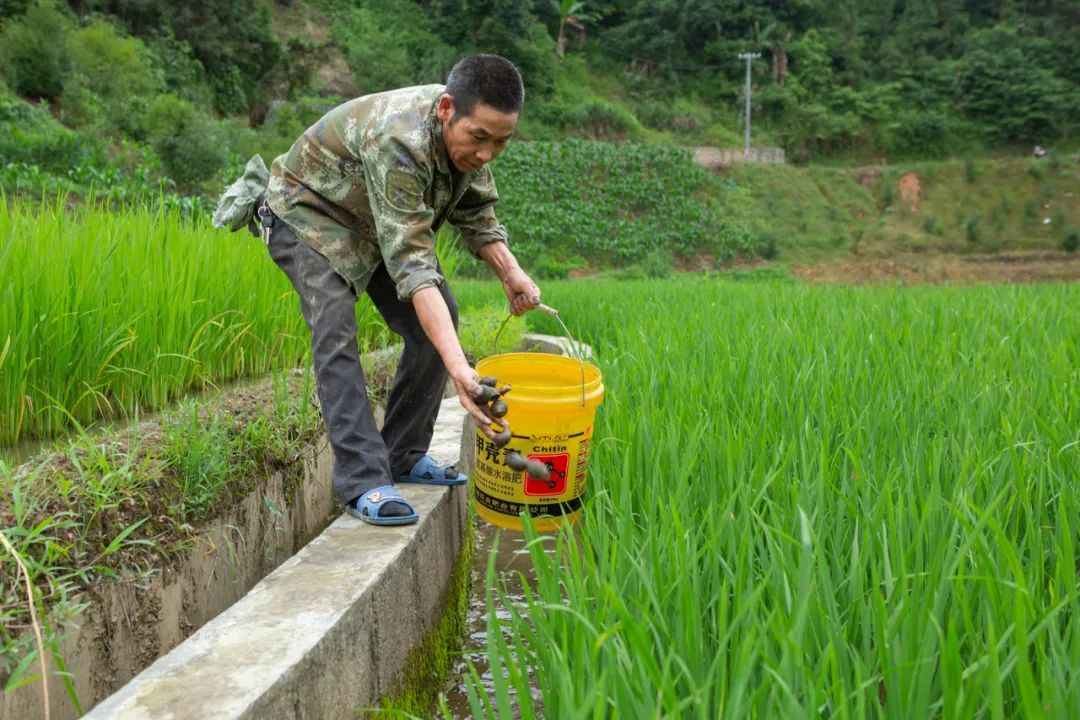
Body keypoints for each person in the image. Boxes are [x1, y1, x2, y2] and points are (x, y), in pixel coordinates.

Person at [256, 54, 540, 525]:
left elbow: (478, 214)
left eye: (501, 142)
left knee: (439, 316)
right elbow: (414, 266)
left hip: (371, 221)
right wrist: (461, 373)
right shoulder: (400, 141)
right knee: (335, 329)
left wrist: (511, 273)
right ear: (448, 108)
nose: (487, 153)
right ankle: (363, 481)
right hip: (307, 212)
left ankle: (402, 456)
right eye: (480, 138)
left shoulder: (466, 142)